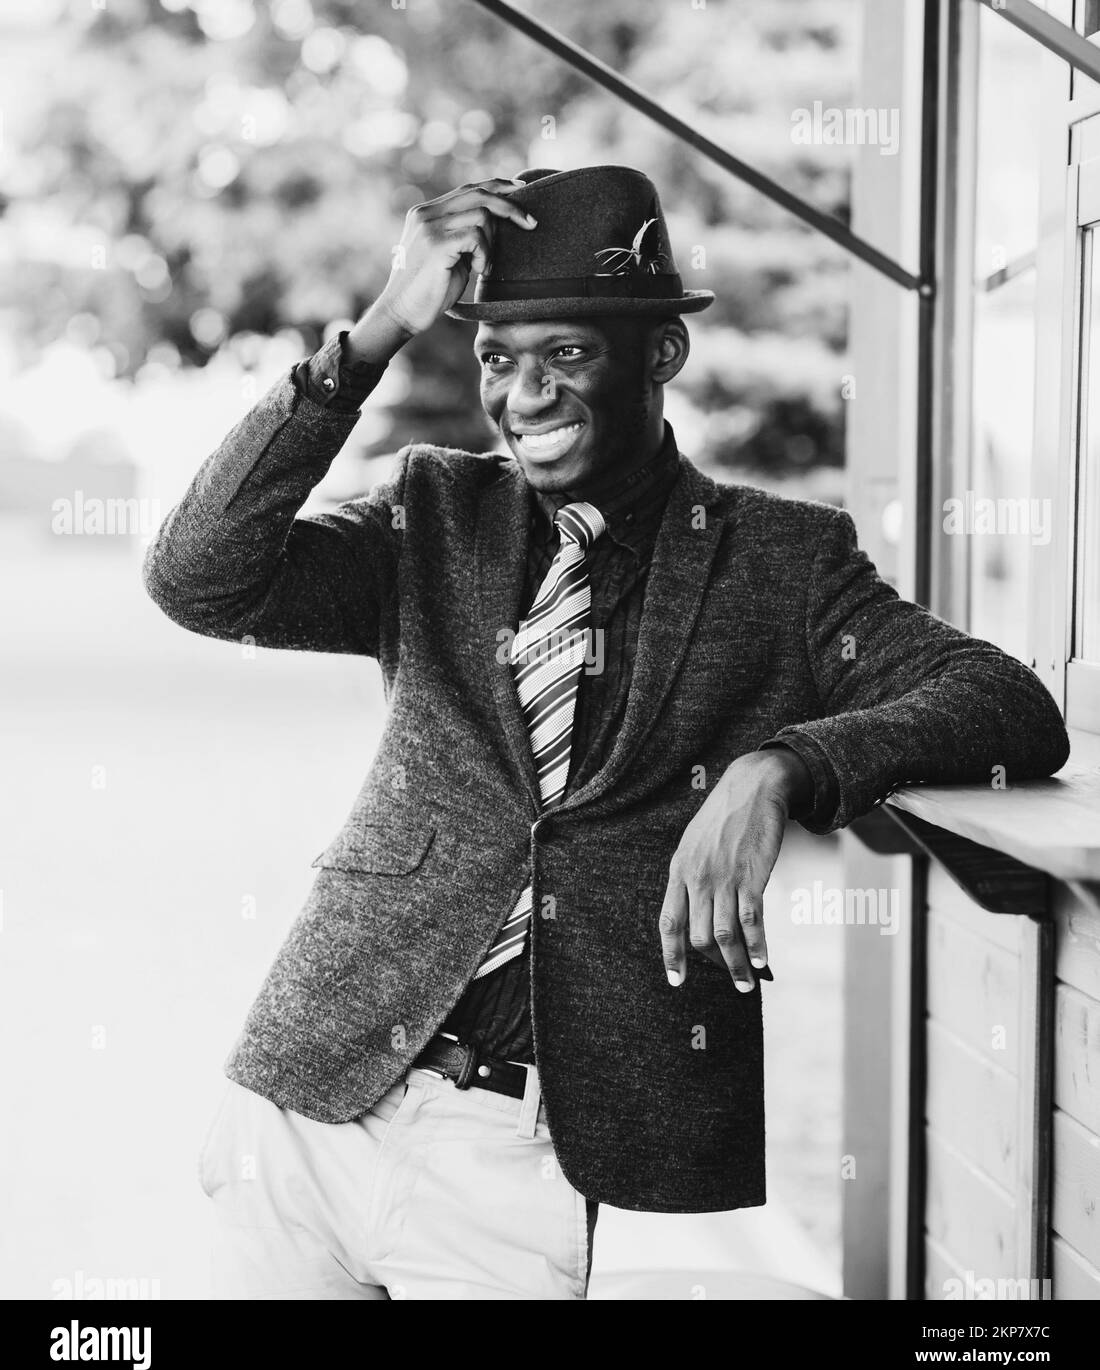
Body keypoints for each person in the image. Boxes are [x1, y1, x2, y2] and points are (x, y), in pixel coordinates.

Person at [143, 165, 1070, 1300]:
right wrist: (377, 331)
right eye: (496, 357)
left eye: (564, 354)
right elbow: (198, 578)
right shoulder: (430, 513)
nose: (521, 394)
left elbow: (1005, 702)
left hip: (518, 1157)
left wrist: (783, 766)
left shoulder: (779, 564)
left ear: (659, 355)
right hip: (310, 1094)